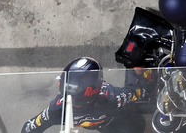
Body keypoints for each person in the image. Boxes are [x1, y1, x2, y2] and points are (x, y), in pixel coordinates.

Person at [21, 57, 150, 133]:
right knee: (139, 124)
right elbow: (137, 92)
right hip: (113, 124)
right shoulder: (111, 97)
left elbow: (29, 128)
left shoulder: (56, 109)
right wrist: (139, 70)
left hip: (106, 125)